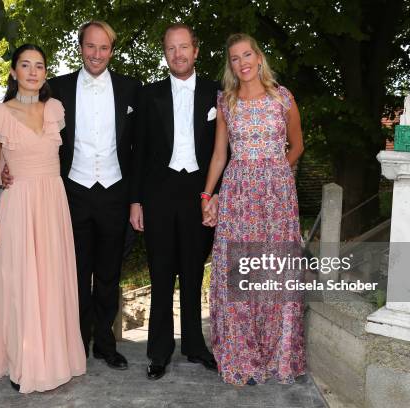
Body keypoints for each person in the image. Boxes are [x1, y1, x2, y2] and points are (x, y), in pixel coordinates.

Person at [2, 21, 140, 370]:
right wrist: (7, 163)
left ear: (111, 50)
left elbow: (140, 149)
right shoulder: (57, 88)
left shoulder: (130, 89)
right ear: (81, 47)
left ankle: (106, 344)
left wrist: (136, 198)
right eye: (91, 46)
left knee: (109, 274)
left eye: (104, 47)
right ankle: (75, 341)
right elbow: (20, 118)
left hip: (114, 192)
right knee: (73, 273)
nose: (97, 54)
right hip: (70, 193)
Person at [0, 44, 86, 393]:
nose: (32, 71)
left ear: (45, 73)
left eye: (39, 66)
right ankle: (23, 363)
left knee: (51, 281)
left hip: (53, 203)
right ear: (13, 72)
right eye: (25, 65)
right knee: (20, 282)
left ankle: (57, 359)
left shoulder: (55, 109)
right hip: (19, 204)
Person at [201, 33, 306, 386]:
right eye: (234, 58)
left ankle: (276, 353)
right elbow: (219, 154)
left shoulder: (282, 96)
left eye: (247, 54)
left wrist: (279, 172)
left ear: (259, 57)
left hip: (276, 197)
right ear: (230, 65)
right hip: (237, 193)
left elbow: (298, 144)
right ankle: (241, 355)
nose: (242, 62)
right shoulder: (226, 101)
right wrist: (207, 195)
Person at [130, 23, 218, 380]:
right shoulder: (148, 95)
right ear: (164, 53)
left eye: (184, 47)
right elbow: (137, 153)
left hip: (200, 192)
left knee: (194, 272)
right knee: (161, 272)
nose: (178, 54)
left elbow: (224, 151)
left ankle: (195, 346)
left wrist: (217, 195)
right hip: (159, 193)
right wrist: (135, 201)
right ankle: (159, 351)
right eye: (170, 48)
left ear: (196, 50)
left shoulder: (218, 93)